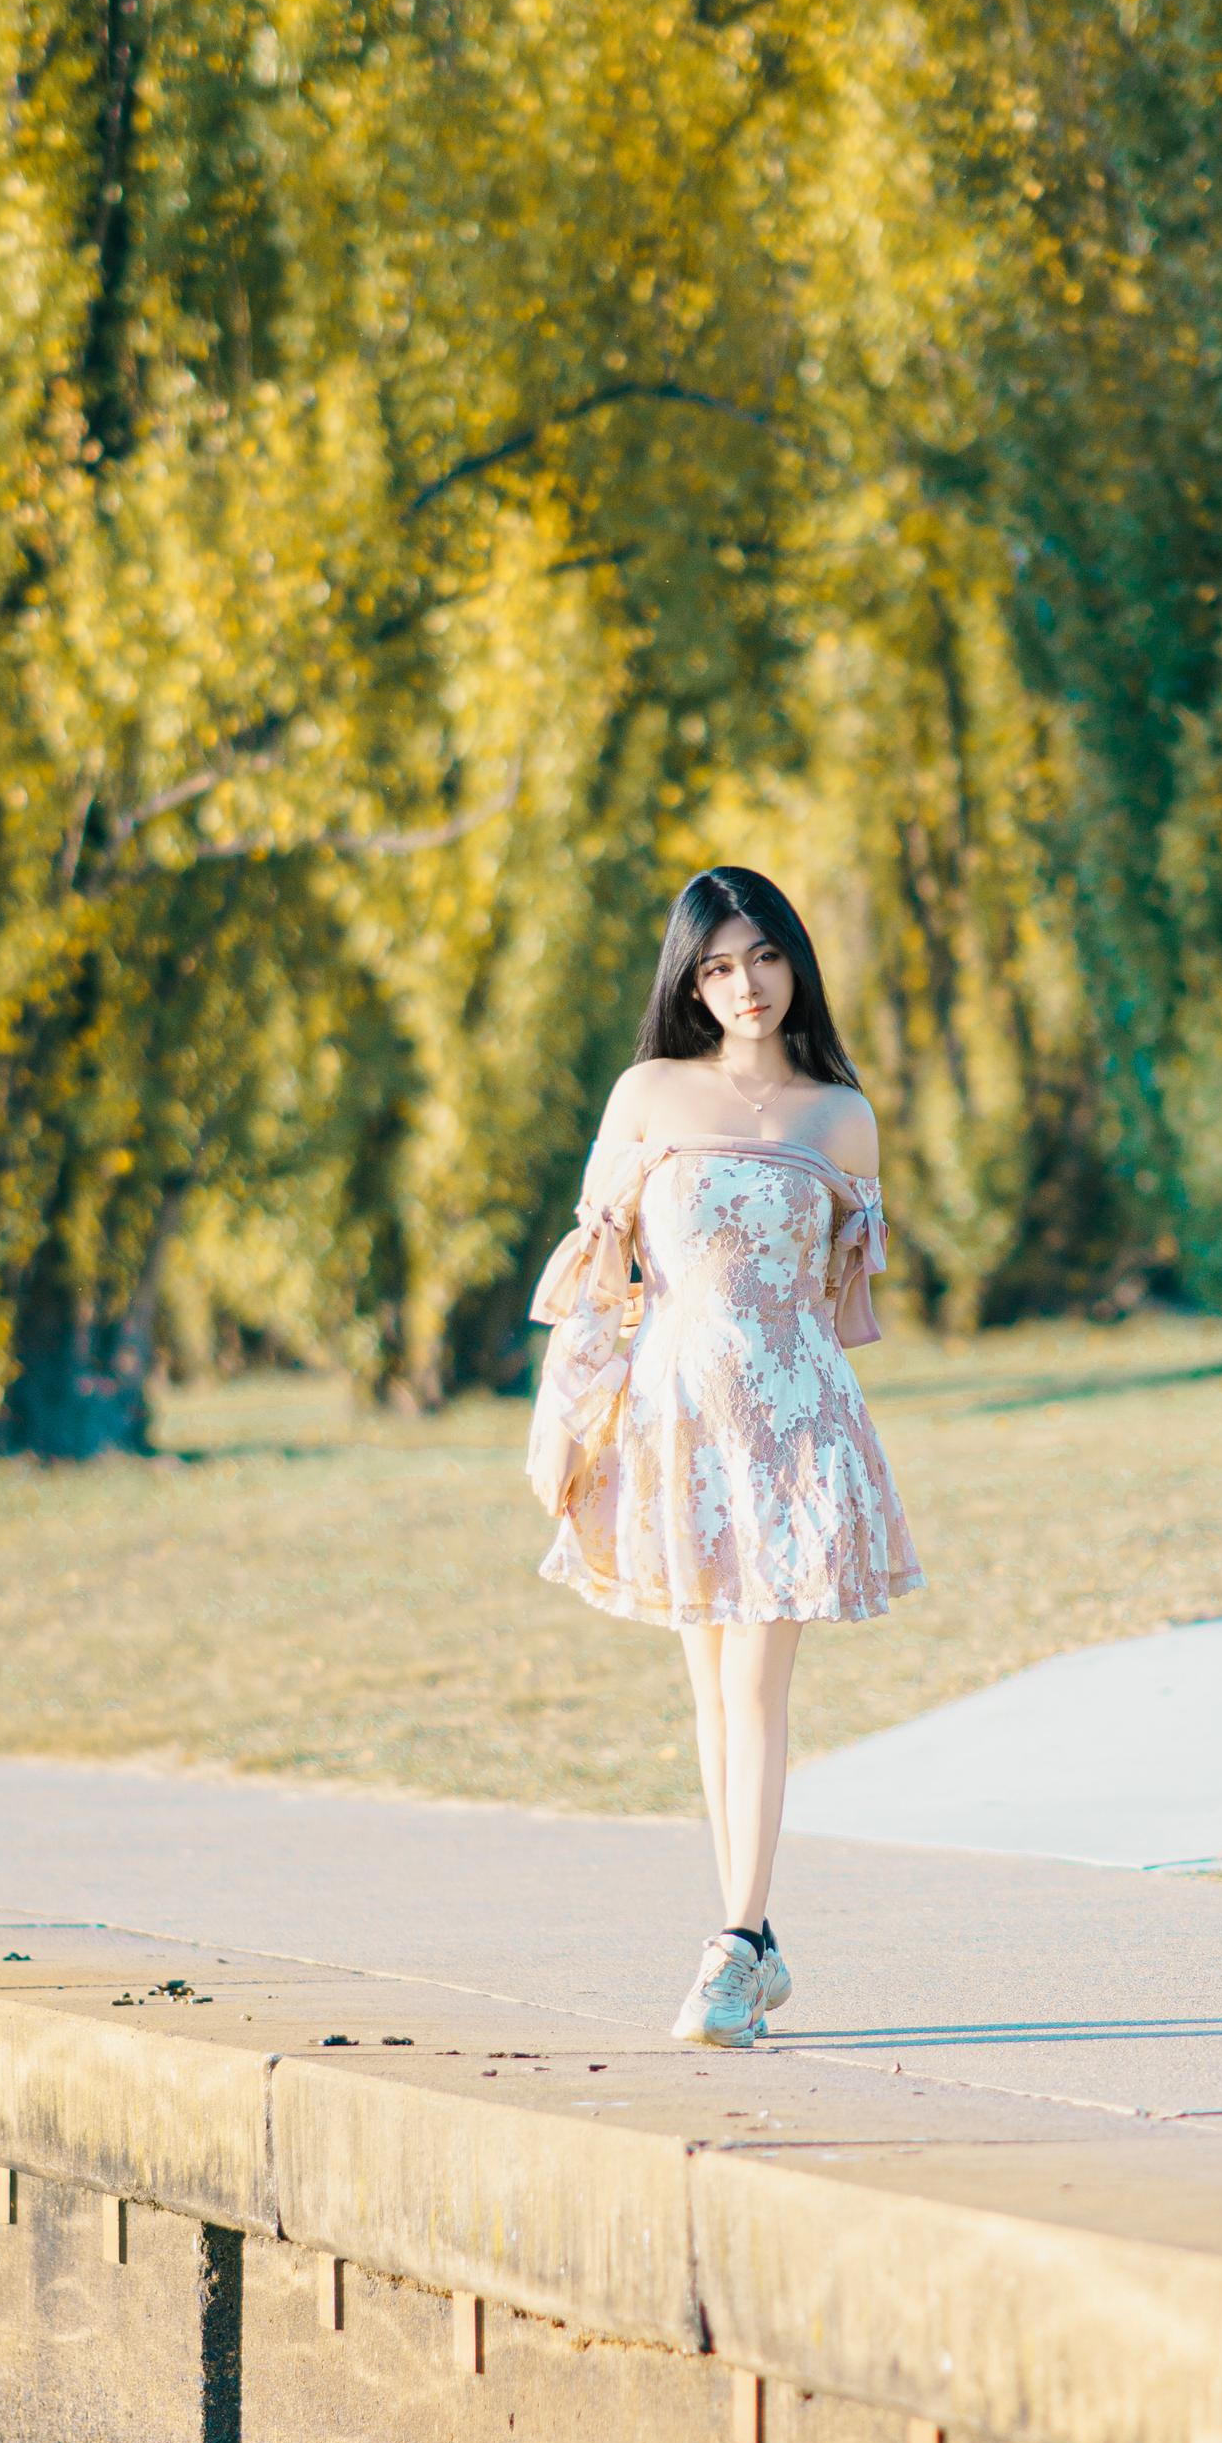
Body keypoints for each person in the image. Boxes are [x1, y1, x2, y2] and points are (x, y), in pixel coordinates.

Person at [526, 866, 923, 2051]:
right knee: (709, 1696)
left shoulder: (838, 1114)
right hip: (673, 1428)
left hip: (796, 1424)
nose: (743, 985)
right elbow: (599, 1287)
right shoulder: (648, 1095)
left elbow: (842, 1299)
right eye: (715, 966)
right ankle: (751, 1943)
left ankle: (736, 1944)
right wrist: (567, 1428)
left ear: (794, 960)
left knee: (756, 1690)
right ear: (687, 982)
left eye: (761, 957)